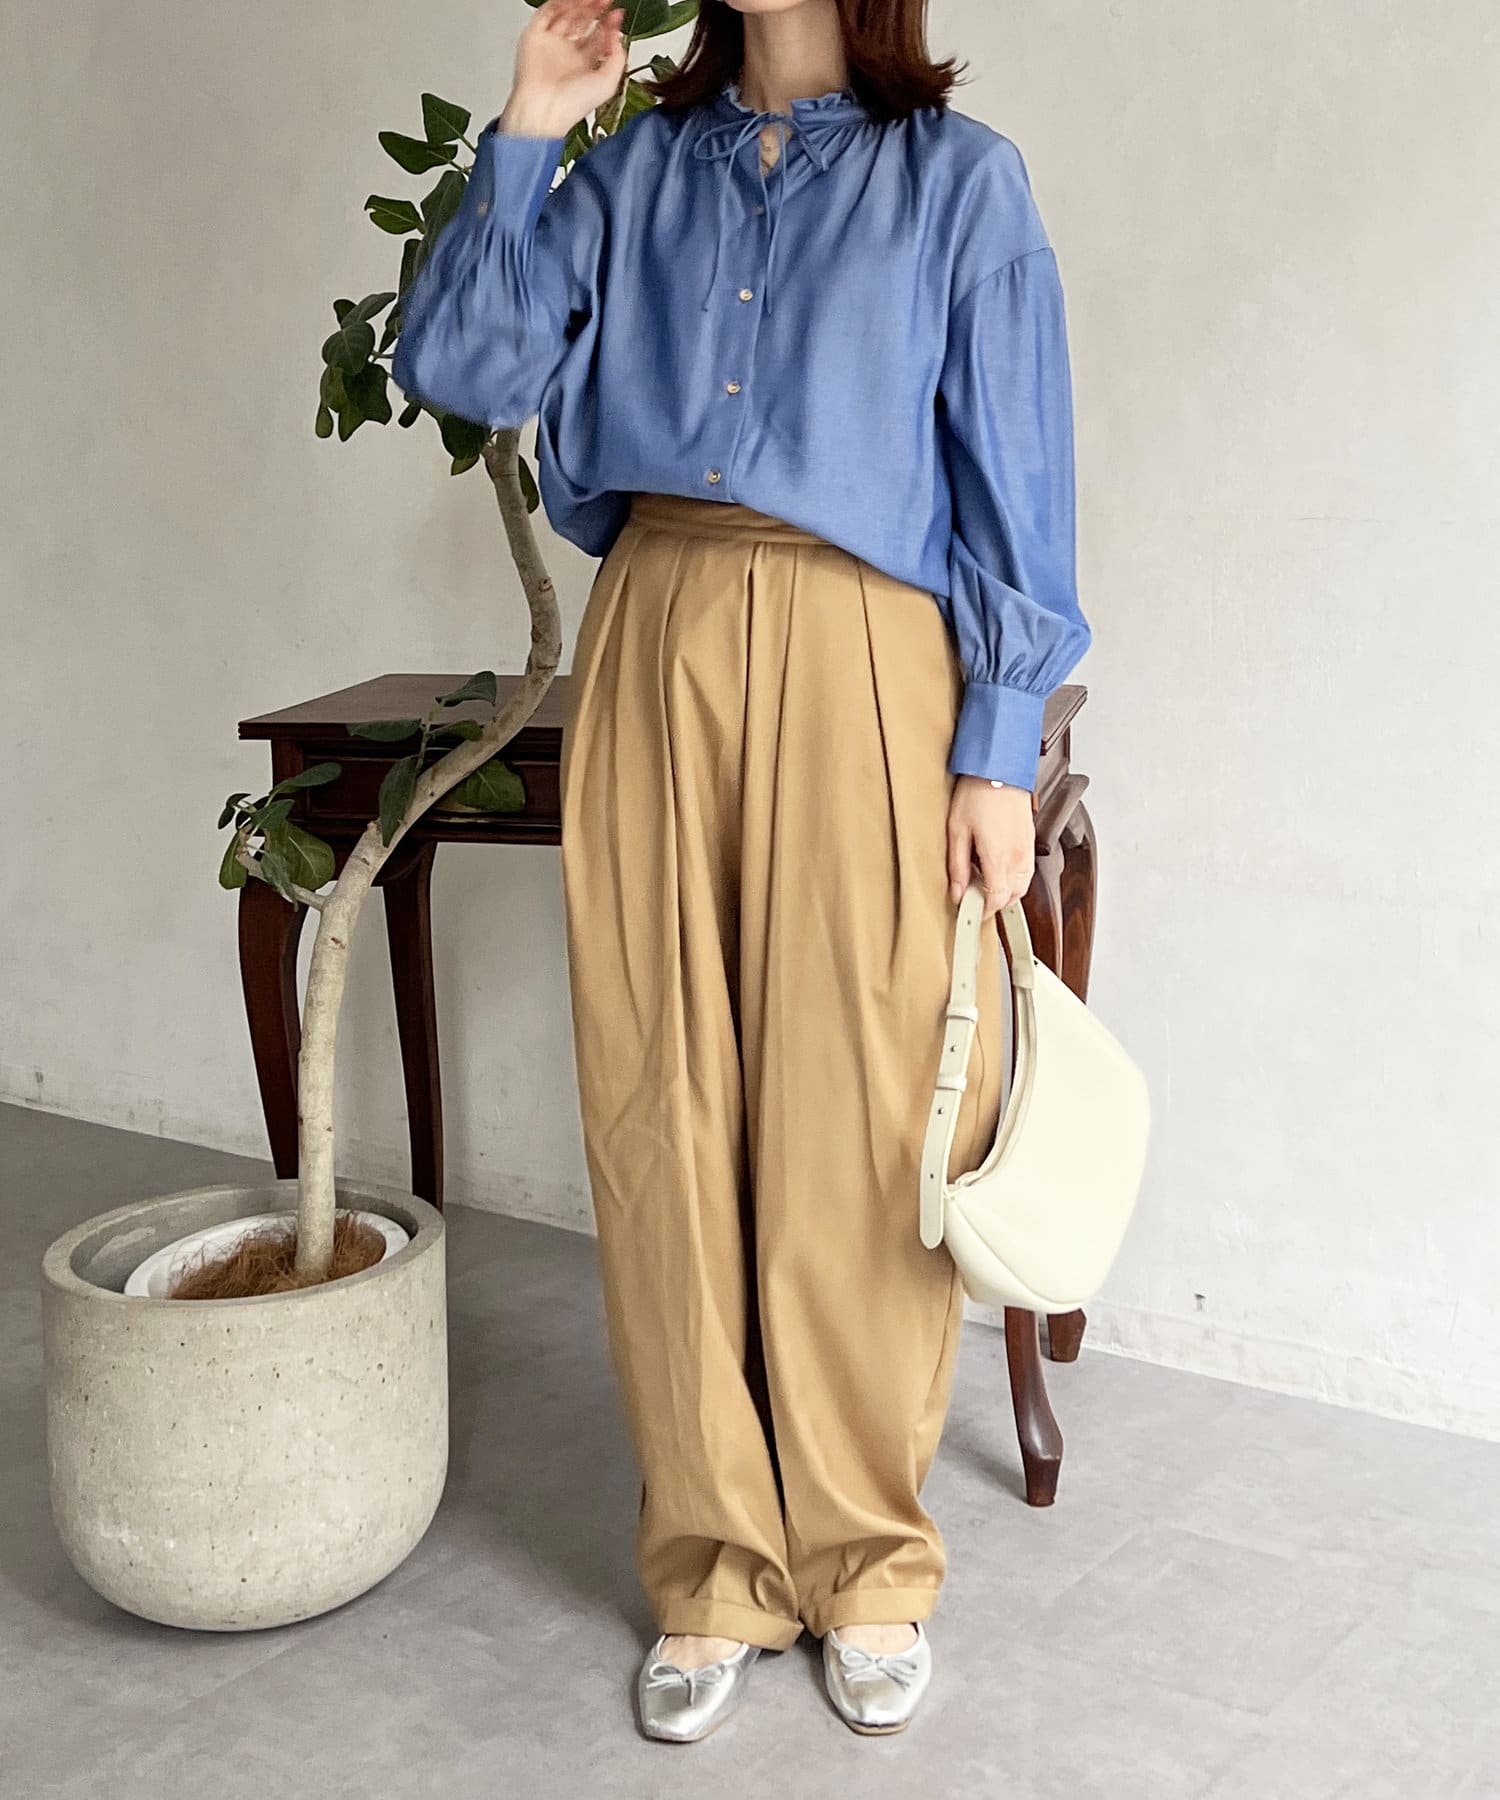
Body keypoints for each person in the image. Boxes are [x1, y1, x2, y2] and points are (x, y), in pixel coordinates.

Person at [393, 0, 1089, 1743]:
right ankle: (711, 1563)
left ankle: (867, 1559)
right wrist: (534, 126)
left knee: (865, 1103)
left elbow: (1016, 476)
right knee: (662, 1091)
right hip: (658, 627)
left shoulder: (960, 184)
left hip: (874, 647)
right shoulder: (628, 172)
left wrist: (997, 744)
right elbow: (463, 371)